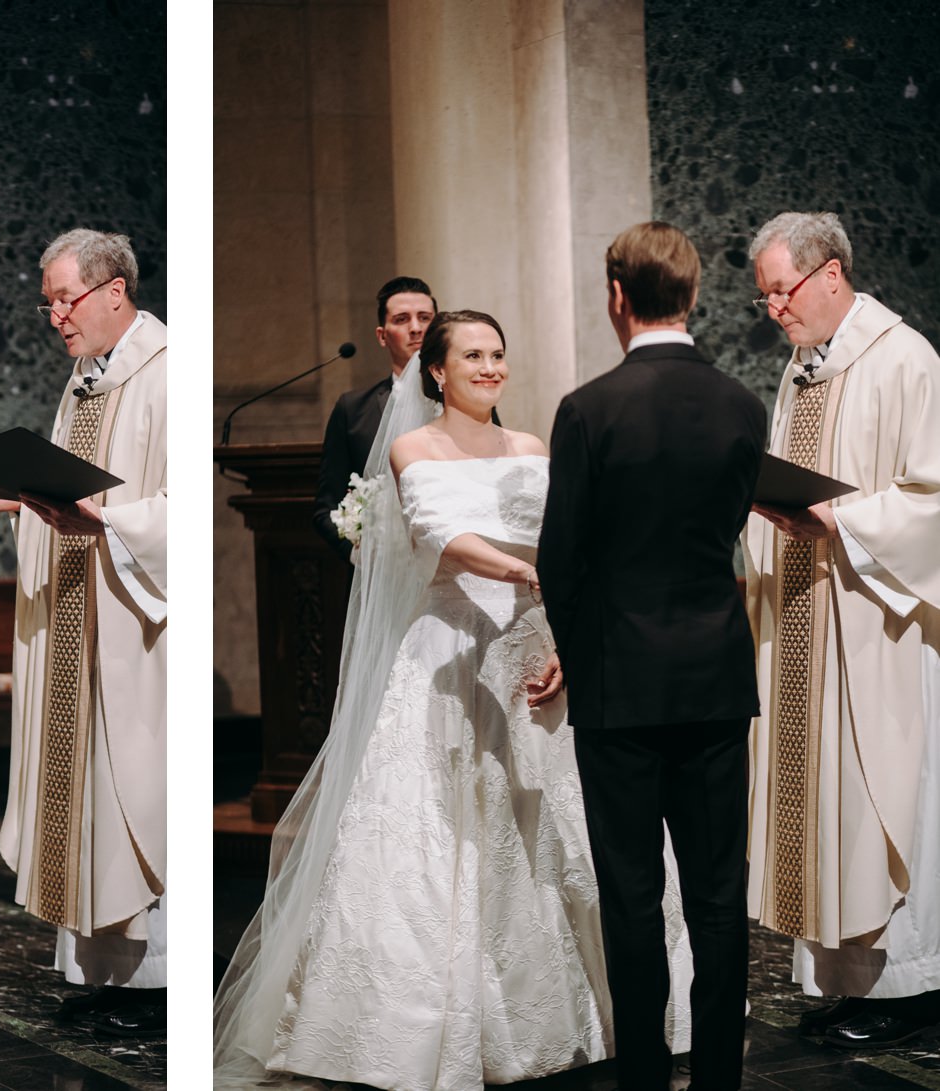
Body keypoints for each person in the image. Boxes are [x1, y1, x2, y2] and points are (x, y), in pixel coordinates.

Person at [214, 310, 693, 1090]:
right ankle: (432, 1023)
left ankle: (613, 1015)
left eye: (499, 353)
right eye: (473, 355)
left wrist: (565, 632)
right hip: (450, 651)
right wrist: (526, 574)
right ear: (435, 371)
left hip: (537, 648)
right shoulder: (412, 447)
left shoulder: (533, 446)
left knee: (567, 826)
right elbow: (442, 535)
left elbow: (571, 537)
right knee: (440, 833)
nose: (490, 367)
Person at [538, 222, 766, 1091]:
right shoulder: (744, 405)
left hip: (619, 686)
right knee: (716, 897)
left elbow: (562, 560)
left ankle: (642, 1077)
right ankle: (717, 1080)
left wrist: (583, 652)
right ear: (696, 297)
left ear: (618, 297)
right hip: (713, 679)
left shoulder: (588, 408)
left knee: (630, 893)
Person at [744, 210, 940, 1048]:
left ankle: (909, 983)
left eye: (781, 292)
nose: (775, 311)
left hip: (876, 629)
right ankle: (844, 982)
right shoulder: (802, 371)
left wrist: (843, 522)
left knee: (879, 793)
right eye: (765, 300)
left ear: (831, 273)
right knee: (820, 802)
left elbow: (931, 495)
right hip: (803, 619)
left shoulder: (906, 359)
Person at [0, 228, 168, 1035]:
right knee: (83, 791)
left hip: (133, 627)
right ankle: (102, 968)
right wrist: (33, 500)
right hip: (77, 611)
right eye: (48, 303)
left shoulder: (167, 373)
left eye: (65, 299)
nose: (56, 316)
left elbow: (174, 511)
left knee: (131, 784)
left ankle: (156, 971)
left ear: (113, 291)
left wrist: (110, 520)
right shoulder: (84, 382)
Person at [312, 276, 437, 556]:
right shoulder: (353, 409)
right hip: (378, 569)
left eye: (425, 318)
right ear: (382, 335)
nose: (416, 328)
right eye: (402, 319)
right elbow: (326, 508)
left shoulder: (465, 401)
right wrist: (362, 554)